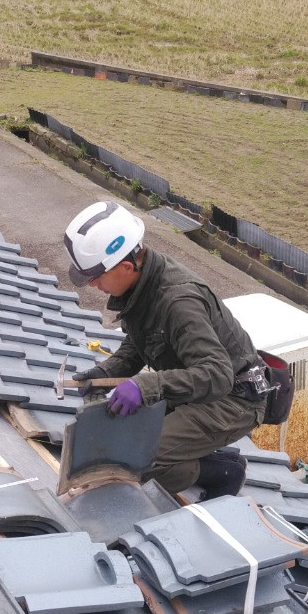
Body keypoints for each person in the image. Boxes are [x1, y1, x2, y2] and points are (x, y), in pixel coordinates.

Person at [63, 200, 265, 499]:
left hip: (232, 399)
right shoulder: (142, 283)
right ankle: (192, 453)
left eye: (96, 278)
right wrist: (107, 371)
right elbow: (140, 340)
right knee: (120, 440)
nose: (93, 286)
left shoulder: (178, 301)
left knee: (137, 462)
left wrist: (146, 386)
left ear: (126, 266)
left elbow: (217, 375)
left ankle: (222, 473)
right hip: (191, 388)